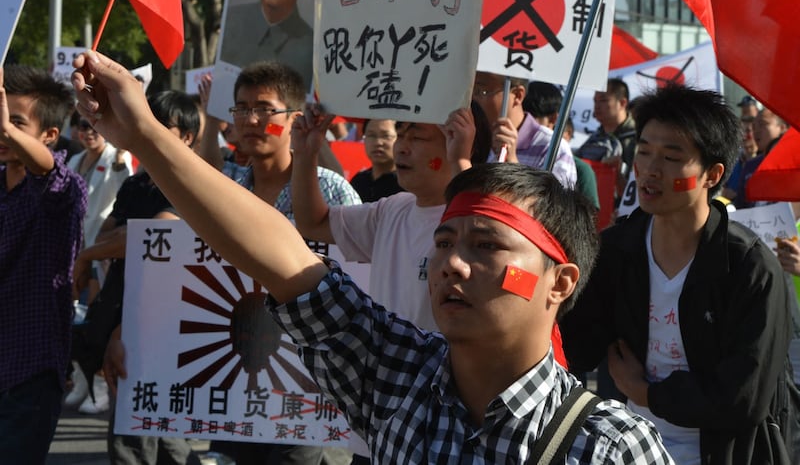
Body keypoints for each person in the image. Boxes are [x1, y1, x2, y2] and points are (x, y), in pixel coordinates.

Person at [69, 50, 675, 462]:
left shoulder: (610, 447)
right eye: (444, 243)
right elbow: (283, 252)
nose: (452, 265)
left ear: (559, 282)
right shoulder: (394, 379)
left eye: (486, 246)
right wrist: (145, 134)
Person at [561, 84, 796, 464]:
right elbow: (576, 347)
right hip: (631, 450)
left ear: (711, 174)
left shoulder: (749, 267)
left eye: (672, 157)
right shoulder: (616, 251)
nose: (651, 170)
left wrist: (647, 394)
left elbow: (744, 398)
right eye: (644, 151)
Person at [198, 62, 358, 465]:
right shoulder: (226, 188)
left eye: (266, 109)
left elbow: (359, 275)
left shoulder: (330, 190)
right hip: (236, 381)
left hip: (309, 382)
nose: (251, 120)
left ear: (294, 119)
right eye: (241, 108)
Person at [73, 90, 202, 464]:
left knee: (151, 432)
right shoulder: (137, 184)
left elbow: (149, 240)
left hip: (168, 321)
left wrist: (91, 254)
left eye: (164, 125)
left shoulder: (191, 182)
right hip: (123, 307)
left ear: (188, 137)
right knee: (140, 427)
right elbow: (111, 235)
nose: (151, 131)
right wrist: (107, 246)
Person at [291, 102, 486, 332]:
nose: (401, 148)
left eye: (417, 137)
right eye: (400, 133)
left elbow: (475, 245)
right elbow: (313, 223)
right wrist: (305, 154)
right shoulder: (392, 210)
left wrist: (460, 163)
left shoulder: (481, 219)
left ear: (461, 144)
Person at [0, 65, 87, 461]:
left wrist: (9, 135)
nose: (3, 130)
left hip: (29, 367)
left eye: (16, 122)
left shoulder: (65, 188)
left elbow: (45, 170)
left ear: (49, 135)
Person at [65, 119, 133, 411]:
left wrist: (120, 158)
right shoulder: (76, 158)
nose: (88, 133)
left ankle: (101, 385)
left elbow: (122, 191)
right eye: (82, 128)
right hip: (74, 246)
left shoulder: (116, 157)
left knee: (97, 316)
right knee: (75, 316)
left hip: (101, 248)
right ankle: (81, 380)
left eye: (94, 128)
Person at [471, 71, 576, 187]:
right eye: (471, 91)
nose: (473, 99)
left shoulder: (552, 147)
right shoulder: (470, 137)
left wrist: (512, 162)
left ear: (517, 95)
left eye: (481, 91)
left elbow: (556, 203)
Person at [524, 81, 599, 209]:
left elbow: (588, 216)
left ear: (553, 119)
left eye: (532, 121)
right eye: (523, 118)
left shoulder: (581, 170)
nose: (526, 126)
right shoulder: (501, 146)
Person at [576, 78, 637, 200]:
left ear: (623, 103)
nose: (597, 106)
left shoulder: (637, 140)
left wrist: (618, 175)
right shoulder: (594, 139)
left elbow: (636, 194)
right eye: (595, 101)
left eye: (603, 100)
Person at [349, 119, 403, 202]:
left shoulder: (406, 183)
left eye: (386, 136)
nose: (378, 142)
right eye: (371, 135)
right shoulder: (358, 181)